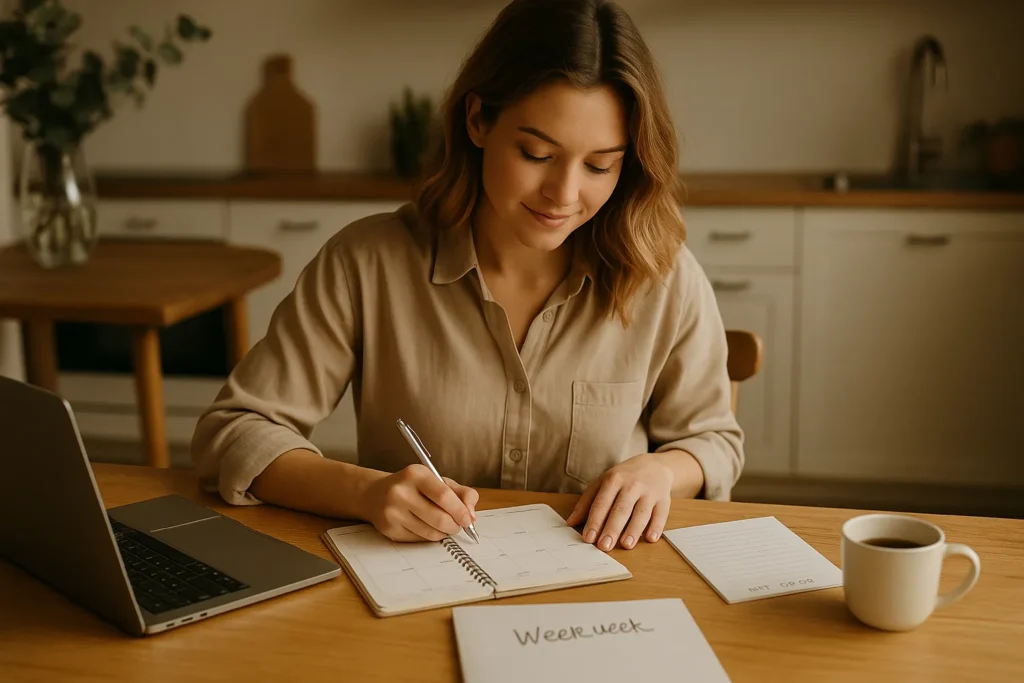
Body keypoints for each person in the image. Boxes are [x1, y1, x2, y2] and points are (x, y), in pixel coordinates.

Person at [191, 0, 743, 553]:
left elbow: (714, 440)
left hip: (603, 593)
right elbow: (234, 432)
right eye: (536, 153)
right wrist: (365, 492)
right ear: (477, 120)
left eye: (601, 165)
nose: (565, 194)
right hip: (414, 585)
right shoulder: (367, 262)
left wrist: (660, 472)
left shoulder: (663, 276)